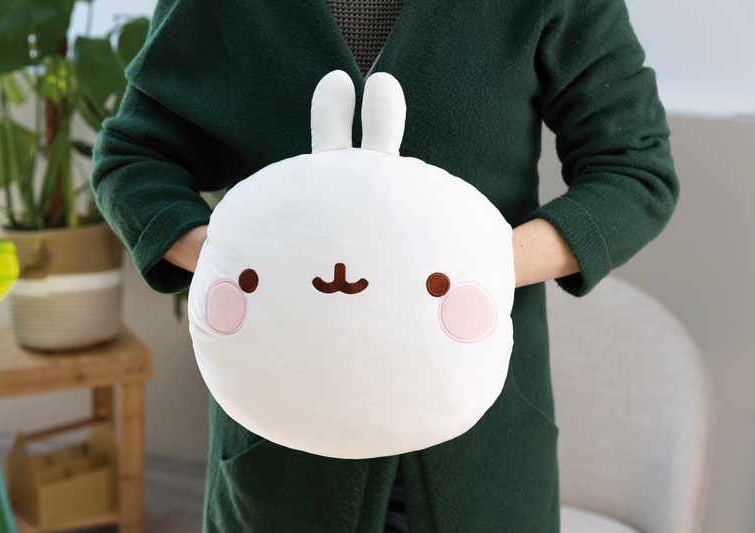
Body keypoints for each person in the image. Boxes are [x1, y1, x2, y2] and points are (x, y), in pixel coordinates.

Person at [91, 1, 679, 531]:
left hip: (483, 462)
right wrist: (240, 260)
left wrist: (483, 268)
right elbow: (133, 159)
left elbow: (634, 168)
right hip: (281, 465)